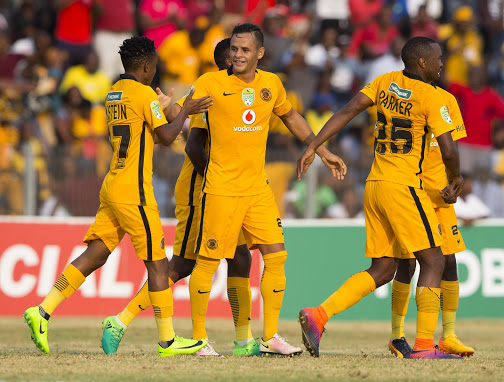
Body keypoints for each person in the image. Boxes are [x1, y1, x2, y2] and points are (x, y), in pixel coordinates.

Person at [23, 36, 213, 357]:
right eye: (154, 66)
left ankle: (42, 312)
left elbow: (144, 122)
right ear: (146, 66)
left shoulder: (114, 92)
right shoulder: (142, 93)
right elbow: (167, 137)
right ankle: (167, 340)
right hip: (134, 191)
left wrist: (165, 108)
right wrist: (186, 110)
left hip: (113, 184)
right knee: (158, 264)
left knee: (96, 254)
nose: (155, 71)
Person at [297, 36, 463, 359]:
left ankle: (318, 315)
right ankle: (425, 346)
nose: (442, 64)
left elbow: (347, 111)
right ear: (423, 63)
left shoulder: (384, 83)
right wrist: (456, 178)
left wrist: (314, 145)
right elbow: (449, 149)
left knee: (384, 268)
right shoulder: (431, 96)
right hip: (404, 186)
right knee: (434, 260)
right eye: (439, 58)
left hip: (374, 185)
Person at [186, 23, 345, 356]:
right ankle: (199, 339)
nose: (238, 55)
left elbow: (292, 118)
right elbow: (190, 133)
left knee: (277, 256)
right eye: (234, 49)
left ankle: (270, 337)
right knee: (208, 262)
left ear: (259, 53)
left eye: (245, 50)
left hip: (257, 188)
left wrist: (322, 149)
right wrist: (172, 110)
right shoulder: (209, 83)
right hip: (222, 190)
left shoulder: (271, 84)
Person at [100, 38, 260, 357]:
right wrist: (215, 179)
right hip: (202, 188)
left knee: (241, 256)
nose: (242, 60)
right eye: (236, 56)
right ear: (226, 62)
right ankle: (121, 321)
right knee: (183, 264)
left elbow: (184, 120)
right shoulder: (210, 90)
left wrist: (173, 108)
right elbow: (191, 143)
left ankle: (244, 341)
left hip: (234, 189)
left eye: (246, 54)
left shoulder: (245, 93)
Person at [388, 87, 475, 358]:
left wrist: (454, 179)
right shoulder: (411, 100)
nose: (439, 65)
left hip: (441, 196)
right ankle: (396, 336)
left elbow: (453, 144)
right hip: (412, 194)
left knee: (449, 261)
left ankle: (448, 336)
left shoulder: (448, 101)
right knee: (408, 263)